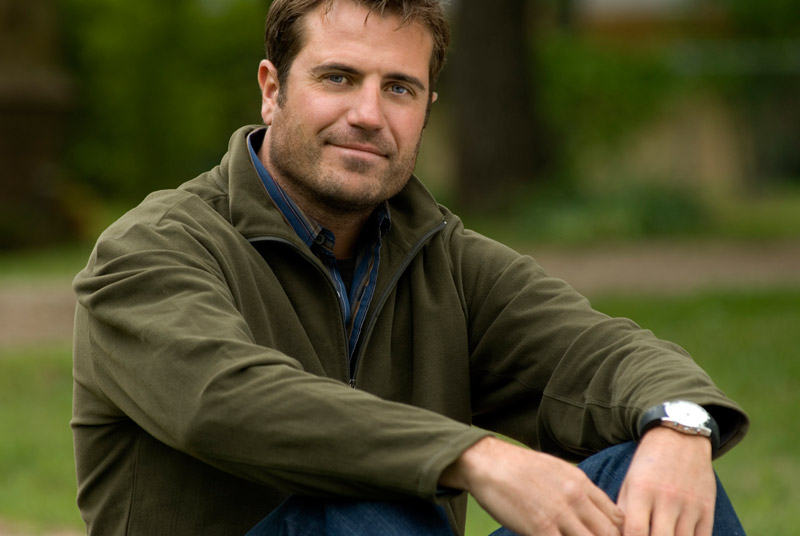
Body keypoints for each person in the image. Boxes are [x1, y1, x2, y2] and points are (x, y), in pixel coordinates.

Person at [71, 0, 749, 534]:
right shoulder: (151, 250)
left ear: (426, 110)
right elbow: (222, 400)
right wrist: (476, 458)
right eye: (338, 78)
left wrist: (681, 428)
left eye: (399, 88)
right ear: (272, 89)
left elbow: (601, 352)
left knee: (651, 476)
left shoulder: (443, 257)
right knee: (367, 506)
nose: (368, 114)